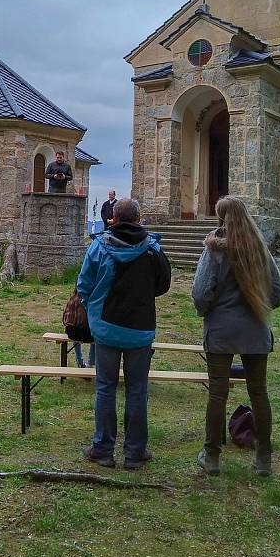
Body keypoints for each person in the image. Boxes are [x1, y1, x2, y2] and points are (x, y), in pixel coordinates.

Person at [191, 195, 280, 477]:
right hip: (255, 331)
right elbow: (277, 294)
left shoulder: (215, 250)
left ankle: (212, 457)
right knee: (259, 393)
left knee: (217, 395)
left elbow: (200, 293)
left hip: (221, 331)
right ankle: (264, 458)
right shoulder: (259, 249)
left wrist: (209, 311)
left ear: (221, 218)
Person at [77, 198, 171, 470]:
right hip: (140, 329)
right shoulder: (152, 249)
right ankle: (134, 452)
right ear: (139, 218)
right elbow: (163, 283)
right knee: (137, 390)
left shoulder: (99, 247)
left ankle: (103, 449)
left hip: (106, 328)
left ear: (114, 219)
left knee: (106, 388)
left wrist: (93, 308)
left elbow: (84, 285)